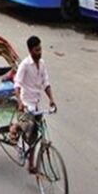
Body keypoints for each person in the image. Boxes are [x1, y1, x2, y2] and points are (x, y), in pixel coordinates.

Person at [9, 36, 57, 173]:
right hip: (26, 103)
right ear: (30, 51)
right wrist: (20, 102)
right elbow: (17, 85)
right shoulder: (25, 65)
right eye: (37, 50)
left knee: (35, 136)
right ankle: (15, 127)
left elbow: (46, 83)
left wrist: (51, 99)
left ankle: (31, 164)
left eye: (40, 49)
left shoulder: (41, 64)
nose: (40, 52)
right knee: (28, 125)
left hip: (36, 105)